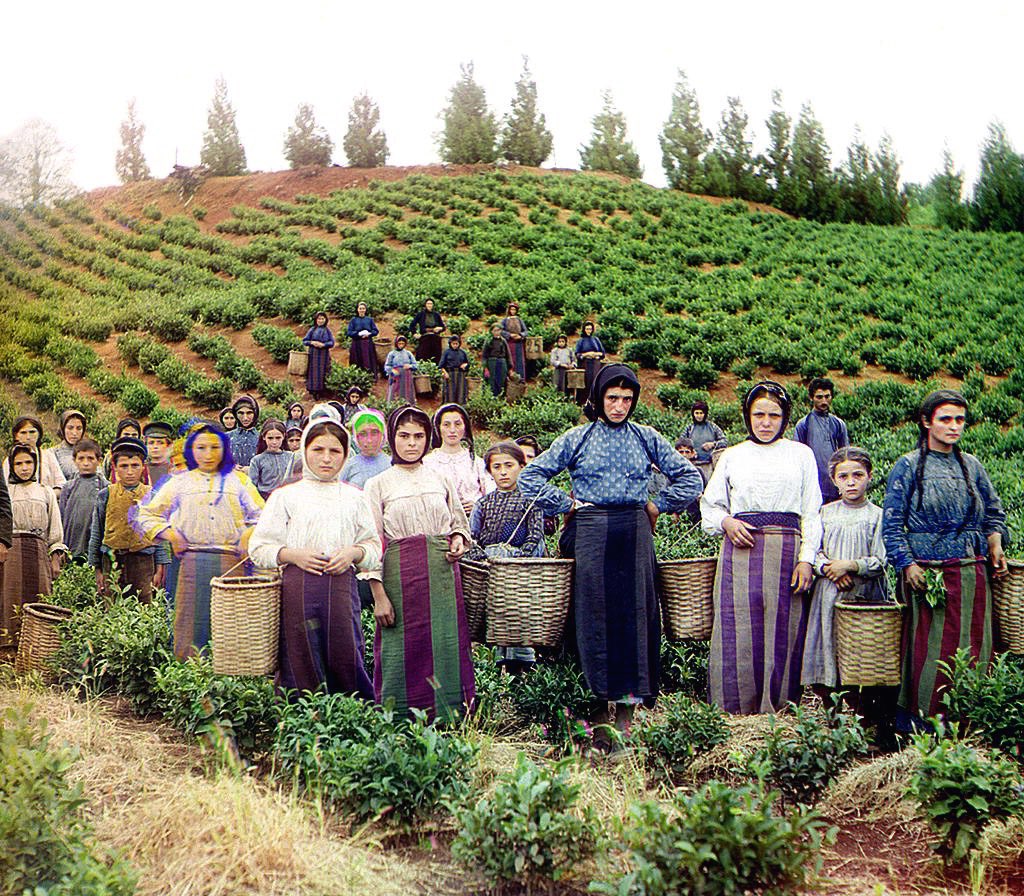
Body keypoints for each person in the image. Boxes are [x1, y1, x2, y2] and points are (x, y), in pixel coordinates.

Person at [518, 364, 703, 752]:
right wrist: (565, 502)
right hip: (589, 533)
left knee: (634, 623)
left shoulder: (645, 437)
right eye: (612, 398)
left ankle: (626, 723)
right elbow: (530, 477)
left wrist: (658, 505)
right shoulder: (578, 438)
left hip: (634, 535)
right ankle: (596, 722)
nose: (619, 406)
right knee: (591, 621)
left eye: (627, 399)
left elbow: (691, 479)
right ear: (599, 398)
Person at [882, 389, 1009, 725]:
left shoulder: (972, 466)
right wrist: (907, 563)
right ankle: (923, 726)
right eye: (945, 419)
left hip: (971, 573)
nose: (954, 427)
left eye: (960, 420)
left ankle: (972, 724)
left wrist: (995, 543)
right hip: (928, 576)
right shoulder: (908, 466)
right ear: (926, 422)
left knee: (974, 649)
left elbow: (993, 513)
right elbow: (892, 524)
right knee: (930, 653)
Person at [700, 381, 822, 715]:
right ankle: (734, 711)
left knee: (783, 628)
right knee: (738, 628)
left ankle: (779, 710)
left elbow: (812, 512)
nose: (765, 422)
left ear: (785, 419)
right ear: (747, 416)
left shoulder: (801, 455)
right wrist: (727, 523)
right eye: (758, 415)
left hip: (786, 552)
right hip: (740, 552)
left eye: (773, 415)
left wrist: (806, 560)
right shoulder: (733, 456)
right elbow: (710, 506)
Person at [249, 407, 381, 696]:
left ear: (345, 455)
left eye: (335, 451)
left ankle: (350, 718)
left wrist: (353, 553)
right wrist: (292, 555)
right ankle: (301, 720)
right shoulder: (286, 496)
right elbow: (259, 548)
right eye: (318, 449)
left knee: (345, 652)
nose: (326, 458)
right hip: (298, 589)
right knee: (300, 655)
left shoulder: (355, 498)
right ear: (304, 450)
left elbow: (373, 547)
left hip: (341, 589)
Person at [362, 406, 475, 720]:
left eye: (419, 436)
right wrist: (379, 595)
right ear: (392, 438)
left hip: (441, 577)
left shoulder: (440, 477)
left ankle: (452, 717)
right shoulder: (378, 484)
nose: (411, 443)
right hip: (400, 578)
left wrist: (458, 540)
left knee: (446, 645)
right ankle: (399, 720)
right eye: (403, 436)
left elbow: (459, 523)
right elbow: (372, 544)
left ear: (428, 439)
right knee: (401, 649)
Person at [132, 422, 264, 659]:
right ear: (191, 449)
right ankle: (188, 680)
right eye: (201, 447)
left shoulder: (239, 482)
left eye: (214, 447)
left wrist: (247, 534)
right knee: (189, 622)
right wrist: (170, 534)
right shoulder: (180, 482)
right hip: (191, 562)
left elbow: (262, 516)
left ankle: (229, 681)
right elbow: (146, 513)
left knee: (229, 625)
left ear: (224, 448)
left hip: (232, 564)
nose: (208, 454)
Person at [801, 447, 890, 695]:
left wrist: (850, 566)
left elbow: (880, 559)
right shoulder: (825, 513)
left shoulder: (877, 516)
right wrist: (830, 569)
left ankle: (863, 713)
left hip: (863, 596)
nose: (851, 482)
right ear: (834, 480)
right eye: (843, 477)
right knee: (828, 646)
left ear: (869, 476)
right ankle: (832, 711)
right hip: (828, 594)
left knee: (861, 654)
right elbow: (812, 549)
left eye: (858, 475)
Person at [89, 437, 169, 603]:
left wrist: (160, 568)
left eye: (135, 466)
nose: (130, 472)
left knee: (144, 606)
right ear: (115, 468)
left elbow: (160, 536)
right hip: (112, 560)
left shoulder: (152, 496)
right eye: (124, 466)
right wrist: (98, 569)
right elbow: (97, 533)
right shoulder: (105, 495)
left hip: (143, 561)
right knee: (113, 606)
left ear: (143, 467)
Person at [1, 445, 65, 648]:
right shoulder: (7, 492)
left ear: (36, 465)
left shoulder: (45, 492)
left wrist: (55, 557)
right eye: (18, 463)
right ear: (11, 466)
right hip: (11, 553)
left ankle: (37, 648)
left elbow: (55, 528)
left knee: (39, 598)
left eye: (28, 462)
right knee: (9, 597)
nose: (24, 468)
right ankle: (9, 649)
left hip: (38, 552)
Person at [467, 441, 544, 562]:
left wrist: (519, 558)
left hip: (522, 565)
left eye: (509, 465)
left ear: (522, 467)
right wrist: (482, 557)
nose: (503, 472)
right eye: (497, 467)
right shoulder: (483, 504)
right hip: (488, 563)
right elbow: (472, 538)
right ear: (489, 472)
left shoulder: (531, 500)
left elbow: (535, 536)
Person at [422, 404, 494, 515]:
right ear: (438, 428)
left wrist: (478, 506)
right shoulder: (427, 463)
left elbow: (491, 494)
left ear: (465, 427)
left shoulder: (476, 462)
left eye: (458, 424)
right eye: (446, 425)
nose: (452, 430)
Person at [794, 377, 850, 504]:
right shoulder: (803, 424)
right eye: (819, 397)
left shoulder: (838, 424)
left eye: (827, 396)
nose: (824, 401)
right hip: (812, 484)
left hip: (835, 485)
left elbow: (845, 455)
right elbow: (798, 458)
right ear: (811, 398)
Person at [57, 438, 107, 563]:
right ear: (74, 461)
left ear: (99, 461)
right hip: (72, 542)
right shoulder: (68, 487)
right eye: (81, 458)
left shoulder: (106, 487)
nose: (86, 463)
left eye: (90, 458)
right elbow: (61, 518)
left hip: (96, 543)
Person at [4, 416, 66, 492]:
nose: (28, 437)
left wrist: (47, 496)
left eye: (32, 432)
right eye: (23, 433)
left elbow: (61, 484)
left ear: (39, 434)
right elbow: (5, 490)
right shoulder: (10, 460)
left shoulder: (48, 456)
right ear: (16, 435)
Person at [340, 409, 391, 489]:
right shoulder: (348, 467)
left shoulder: (392, 465)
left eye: (374, 433)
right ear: (356, 437)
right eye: (363, 434)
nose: (369, 440)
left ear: (383, 435)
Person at [682, 400, 727, 484]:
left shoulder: (713, 427)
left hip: (709, 466)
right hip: (692, 465)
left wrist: (713, 444)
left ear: (705, 414)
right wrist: (690, 451)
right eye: (697, 413)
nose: (699, 416)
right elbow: (681, 443)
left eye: (701, 413)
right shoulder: (689, 428)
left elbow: (724, 441)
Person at [248, 419, 294, 500]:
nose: (274, 442)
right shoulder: (257, 460)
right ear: (264, 437)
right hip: (265, 499)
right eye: (270, 438)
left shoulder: (291, 457)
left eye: (278, 438)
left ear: (283, 436)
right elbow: (252, 486)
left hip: (287, 498)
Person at [302, 311, 335, 399]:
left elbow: (332, 342)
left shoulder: (327, 330)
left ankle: (322, 391)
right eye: (319, 319)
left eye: (322, 319)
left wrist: (324, 345)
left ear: (325, 320)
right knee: (313, 372)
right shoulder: (312, 330)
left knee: (323, 371)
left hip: (323, 354)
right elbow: (305, 341)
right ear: (316, 320)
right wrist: (312, 342)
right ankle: (313, 391)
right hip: (314, 354)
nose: (320, 321)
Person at [573, 321, 605, 402]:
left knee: (595, 381)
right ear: (584, 330)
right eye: (587, 329)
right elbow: (577, 354)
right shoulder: (581, 341)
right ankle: (583, 401)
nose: (589, 331)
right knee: (585, 383)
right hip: (585, 365)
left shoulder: (596, 340)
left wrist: (595, 354)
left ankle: (595, 400)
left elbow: (603, 353)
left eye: (590, 329)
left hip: (595, 364)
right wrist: (586, 354)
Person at [346, 301, 380, 379]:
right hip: (357, 343)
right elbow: (349, 332)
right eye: (360, 308)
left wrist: (369, 334)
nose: (362, 310)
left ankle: (369, 377)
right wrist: (358, 334)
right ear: (357, 310)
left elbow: (375, 331)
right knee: (357, 360)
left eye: (363, 308)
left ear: (365, 310)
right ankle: (357, 377)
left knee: (368, 360)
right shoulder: (353, 320)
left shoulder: (369, 320)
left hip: (367, 343)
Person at [53, 409, 87, 481]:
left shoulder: (90, 451)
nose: (74, 433)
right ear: (63, 429)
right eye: (70, 428)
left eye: (79, 428)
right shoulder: (53, 453)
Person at [228, 395, 260, 470]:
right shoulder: (228, 437)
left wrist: (252, 469)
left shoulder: (262, 438)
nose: (245, 418)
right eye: (241, 413)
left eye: (249, 413)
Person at [409, 298, 445, 364]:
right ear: (425, 305)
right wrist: (415, 334)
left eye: (431, 304)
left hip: (435, 338)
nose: (429, 305)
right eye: (428, 304)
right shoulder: (421, 314)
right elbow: (412, 325)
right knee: (423, 356)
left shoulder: (436, 315)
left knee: (436, 356)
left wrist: (439, 328)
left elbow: (443, 327)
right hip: (425, 338)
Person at [385, 335, 418, 404]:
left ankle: (407, 405)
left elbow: (415, 365)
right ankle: (393, 406)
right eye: (399, 343)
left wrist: (410, 366)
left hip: (406, 376)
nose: (401, 345)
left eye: (402, 343)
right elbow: (387, 366)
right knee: (395, 391)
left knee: (406, 391)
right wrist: (392, 370)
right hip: (395, 376)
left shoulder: (408, 353)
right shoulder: (392, 354)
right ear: (396, 344)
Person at [482, 324, 512, 398]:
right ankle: (490, 398)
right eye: (495, 330)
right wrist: (485, 367)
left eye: (498, 330)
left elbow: (508, 354)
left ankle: (501, 398)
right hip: (491, 363)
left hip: (502, 363)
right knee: (491, 382)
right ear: (492, 331)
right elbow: (484, 355)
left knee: (501, 381)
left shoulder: (503, 341)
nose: (497, 332)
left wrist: (510, 367)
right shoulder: (488, 341)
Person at [501, 302, 529, 381]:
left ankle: (520, 380)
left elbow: (526, 331)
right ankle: (508, 380)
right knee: (510, 361)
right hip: (509, 344)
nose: (513, 311)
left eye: (514, 309)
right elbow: (501, 330)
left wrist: (520, 335)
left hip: (518, 345)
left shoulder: (519, 320)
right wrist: (509, 335)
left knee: (519, 362)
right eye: (511, 309)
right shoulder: (505, 320)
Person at [439, 335, 470, 405]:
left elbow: (468, 364)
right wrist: (445, 373)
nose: (455, 345)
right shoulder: (446, 352)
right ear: (450, 343)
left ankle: (461, 408)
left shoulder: (462, 352)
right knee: (450, 393)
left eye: (457, 343)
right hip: (450, 374)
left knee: (460, 393)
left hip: (460, 375)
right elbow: (441, 365)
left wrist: (466, 365)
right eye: (453, 344)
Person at [143, 421, 175, 486]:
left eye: (160, 443)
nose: (155, 446)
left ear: (168, 445)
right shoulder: (141, 469)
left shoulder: (176, 468)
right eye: (151, 443)